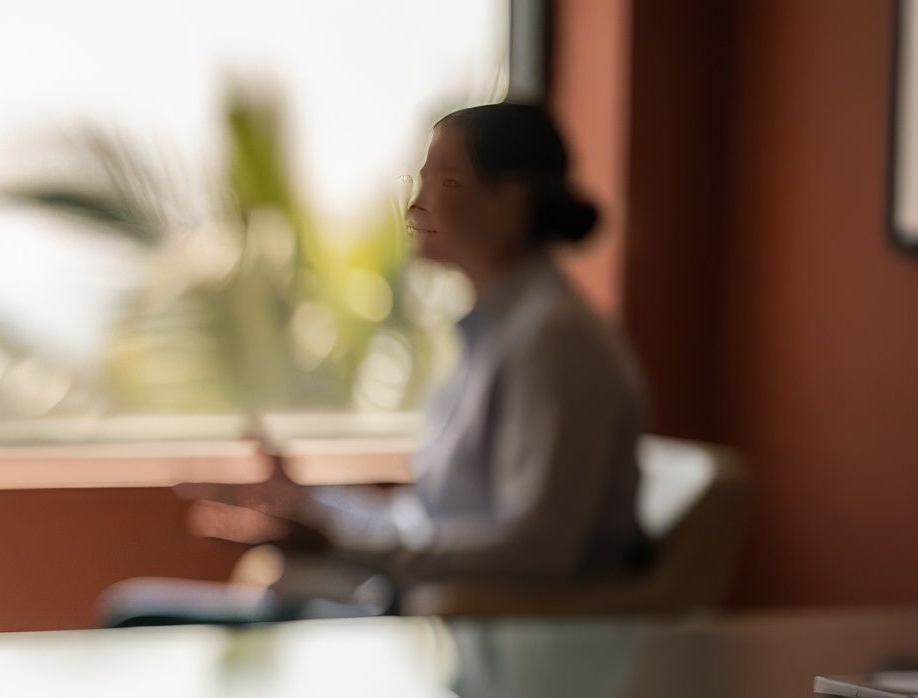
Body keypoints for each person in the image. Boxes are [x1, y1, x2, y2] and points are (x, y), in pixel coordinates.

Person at [106, 101, 647, 625]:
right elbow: (425, 522)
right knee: (149, 609)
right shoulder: (499, 335)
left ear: (507, 204)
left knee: (138, 616)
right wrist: (309, 503)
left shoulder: (554, 342)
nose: (415, 207)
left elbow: (536, 551)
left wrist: (338, 545)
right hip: (424, 614)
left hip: (481, 639)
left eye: (445, 184)